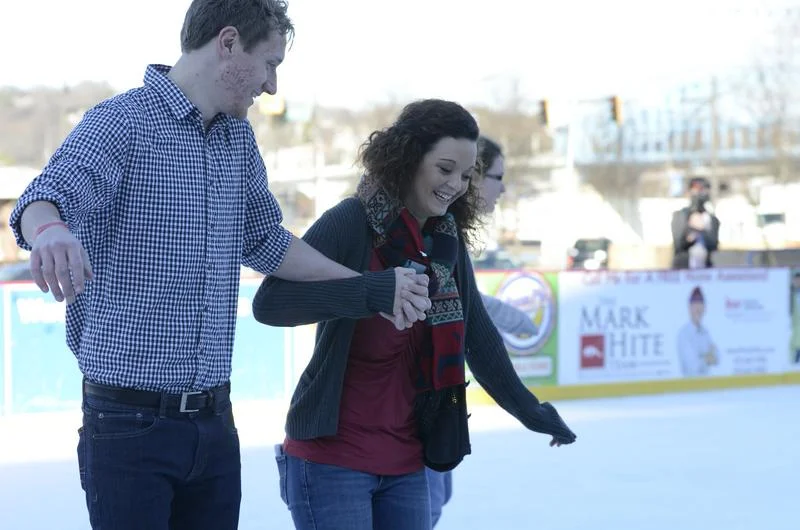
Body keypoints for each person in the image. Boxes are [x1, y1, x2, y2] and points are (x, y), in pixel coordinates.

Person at [8, 2, 429, 529]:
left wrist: (369, 286)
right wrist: (50, 230)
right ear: (228, 43)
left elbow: (267, 242)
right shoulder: (120, 122)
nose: (271, 86)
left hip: (213, 423)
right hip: (127, 425)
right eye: (270, 63)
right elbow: (43, 198)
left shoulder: (237, 140)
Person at [252, 99, 577, 530]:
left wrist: (531, 411)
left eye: (465, 175)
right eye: (444, 169)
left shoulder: (445, 242)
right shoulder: (351, 222)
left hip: (408, 462)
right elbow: (270, 303)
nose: (456, 185)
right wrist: (371, 292)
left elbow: (478, 341)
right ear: (408, 158)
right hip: (333, 459)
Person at [425, 135, 538, 527]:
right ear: (473, 178)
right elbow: (450, 295)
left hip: (439, 403)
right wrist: (509, 317)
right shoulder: (437, 226)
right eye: (497, 176)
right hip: (412, 406)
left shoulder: (451, 227)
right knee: (428, 502)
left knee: (438, 497)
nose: (502, 187)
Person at [671, 177, 721, 269]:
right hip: (683, 271)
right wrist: (691, 228)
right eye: (697, 189)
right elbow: (678, 245)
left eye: (703, 189)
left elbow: (714, 245)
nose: (700, 193)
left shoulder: (712, 219)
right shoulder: (680, 215)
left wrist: (701, 229)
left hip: (705, 270)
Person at [677, 286, 718, 377]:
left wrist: (707, 358)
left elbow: (717, 358)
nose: (698, 311)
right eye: (695, 308)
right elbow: (693, 367)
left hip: (707, 386)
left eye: (700, 307)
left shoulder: (705, 332)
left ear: (704, 309)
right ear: (690, 308)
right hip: (690, 387)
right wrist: (707, 358)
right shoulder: (684, 334)